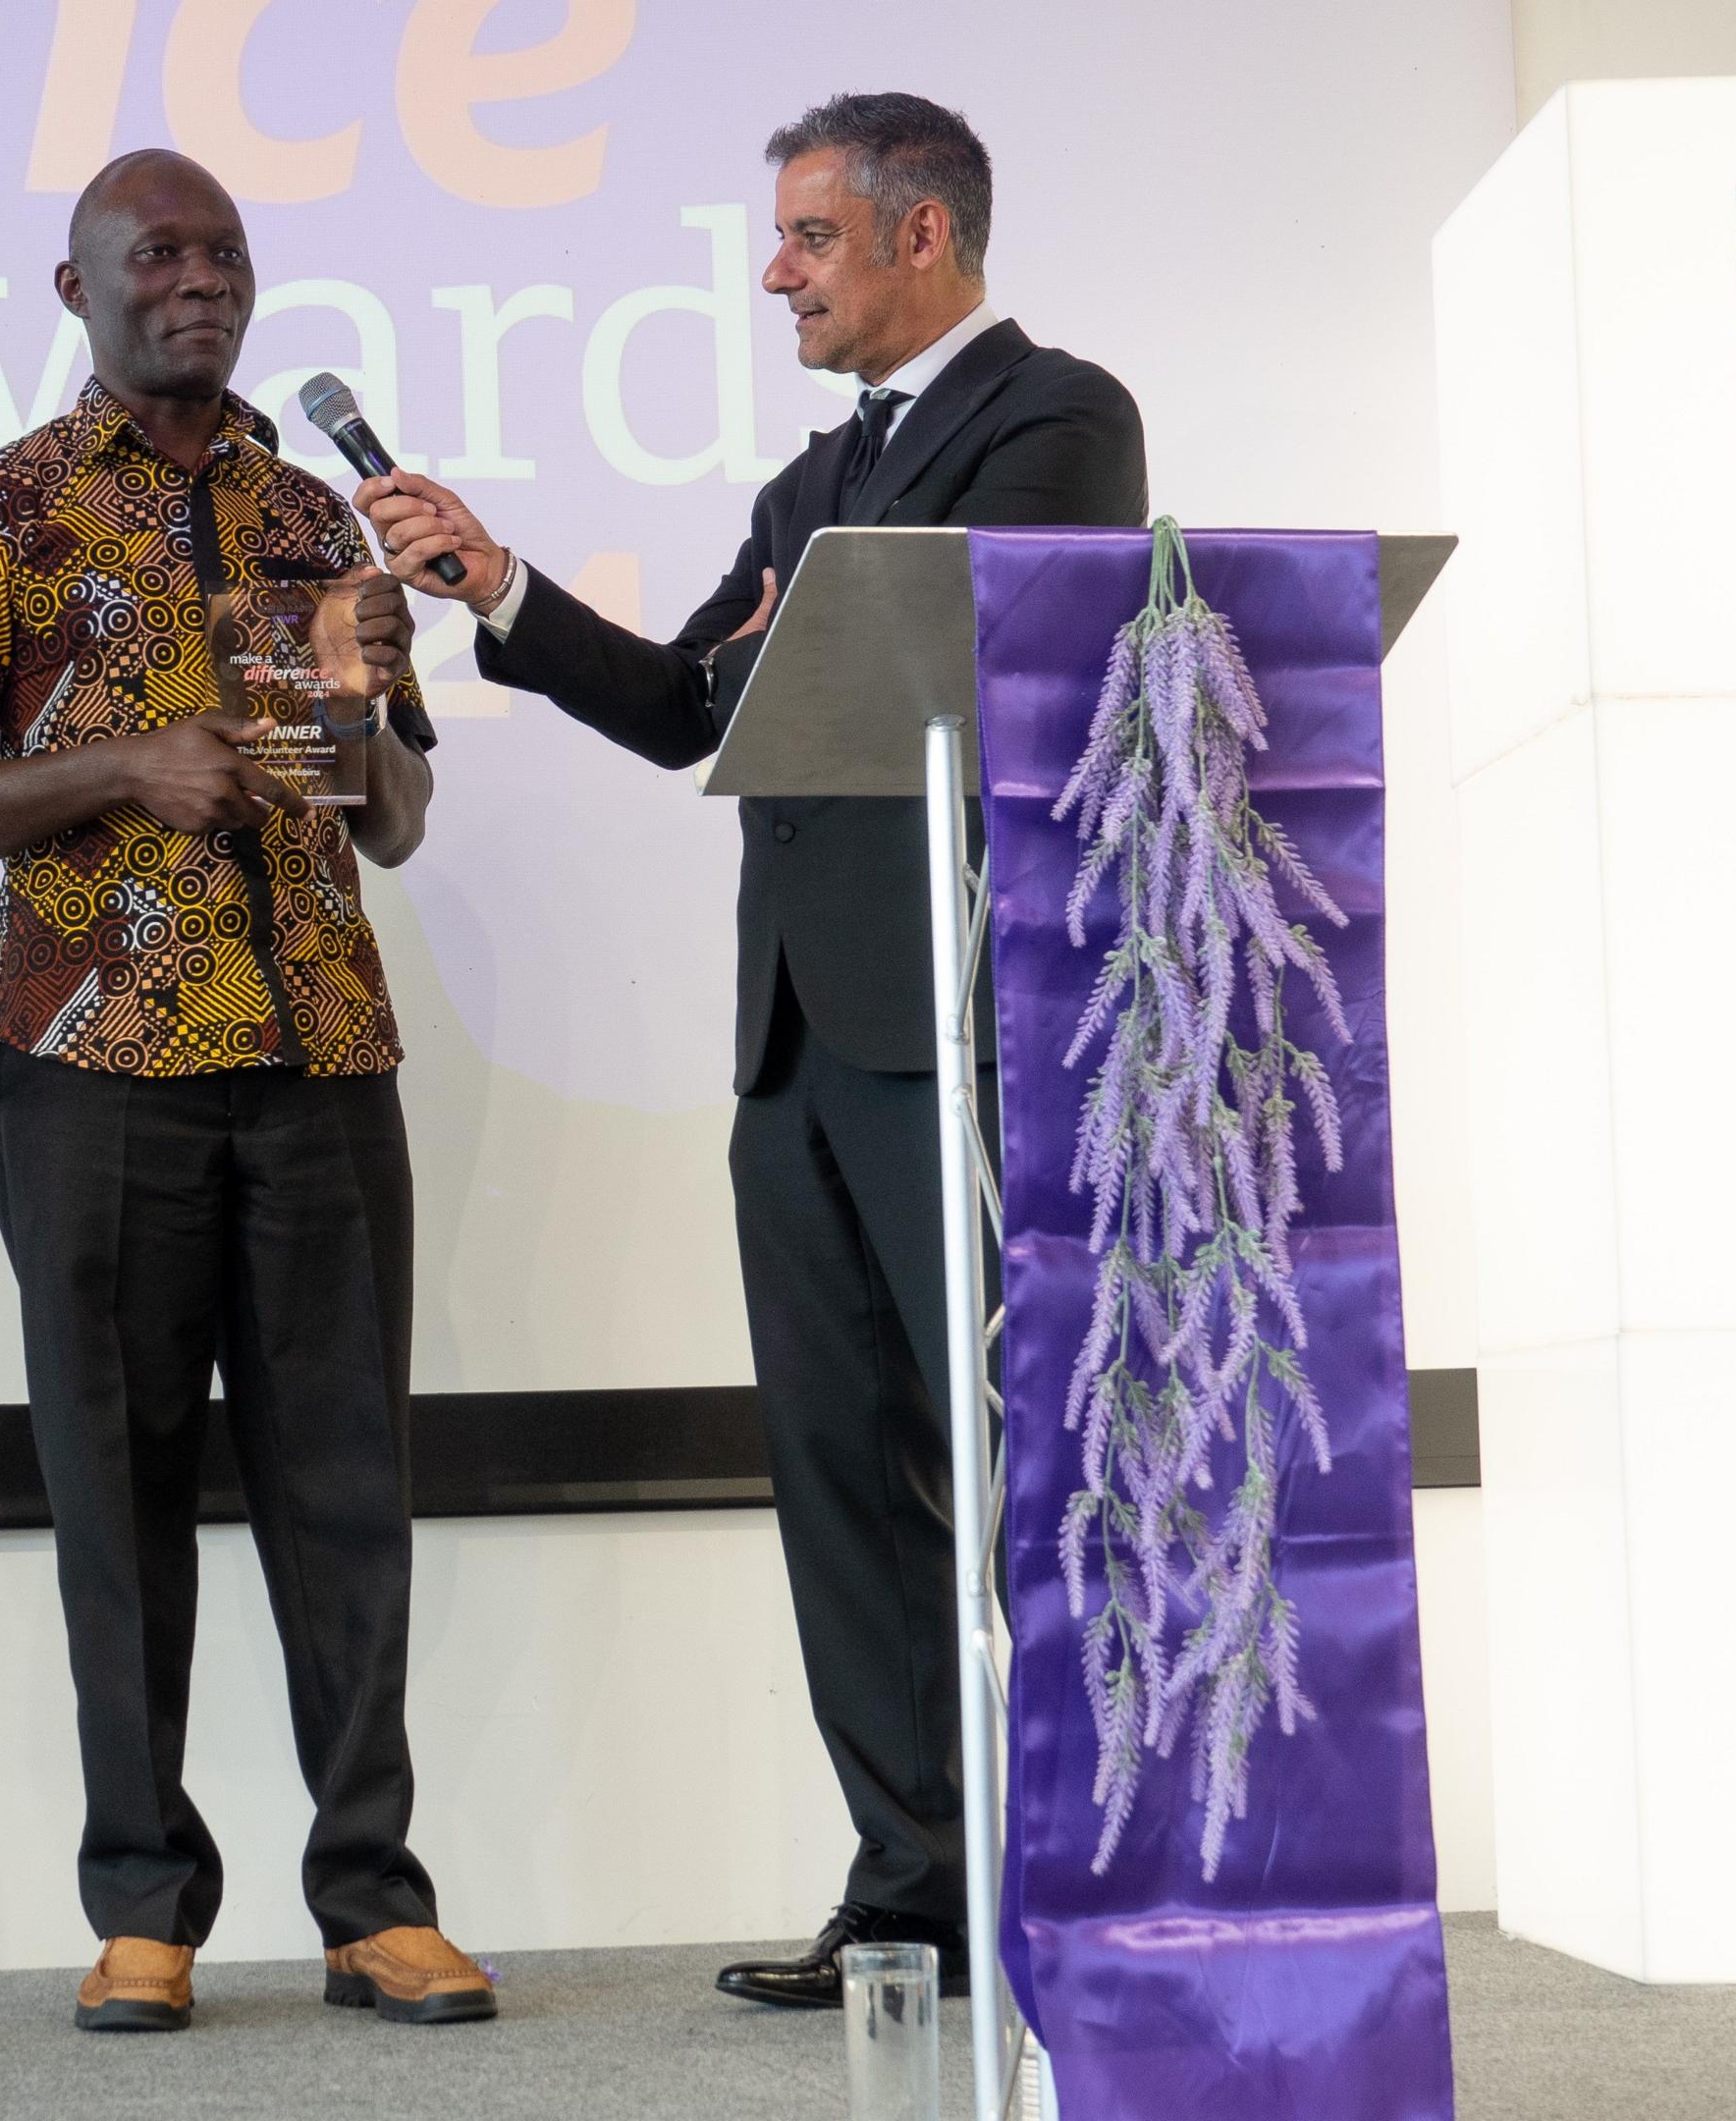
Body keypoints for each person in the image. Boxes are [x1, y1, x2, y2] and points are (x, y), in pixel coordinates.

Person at [358, 91, 1149, 2010]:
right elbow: (689, 706)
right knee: (838, 1470)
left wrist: (802, 620)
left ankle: (1085, 1863)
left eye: (805, 236)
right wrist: (502, 587)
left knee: (1012, 1456)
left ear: (922, 238)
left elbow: (975, 647)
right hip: (793, 1037)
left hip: (963, 1013)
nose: (772, 272)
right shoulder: (814, 486)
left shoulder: (1055, 417)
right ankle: (911, 1890)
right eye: (776, 237)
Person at [0, 148, 493, 2036]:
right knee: (117, 1492)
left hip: (319, 1051)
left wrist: (371, 700)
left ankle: (373, 1900)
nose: (197, 278)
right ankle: (144, 1904)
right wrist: (122, 764)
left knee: (347, 1489)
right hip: (93, 1066)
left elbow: (390, 820)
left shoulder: (315, 514)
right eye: (157, 254)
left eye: (223, 252)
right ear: (77, 293)